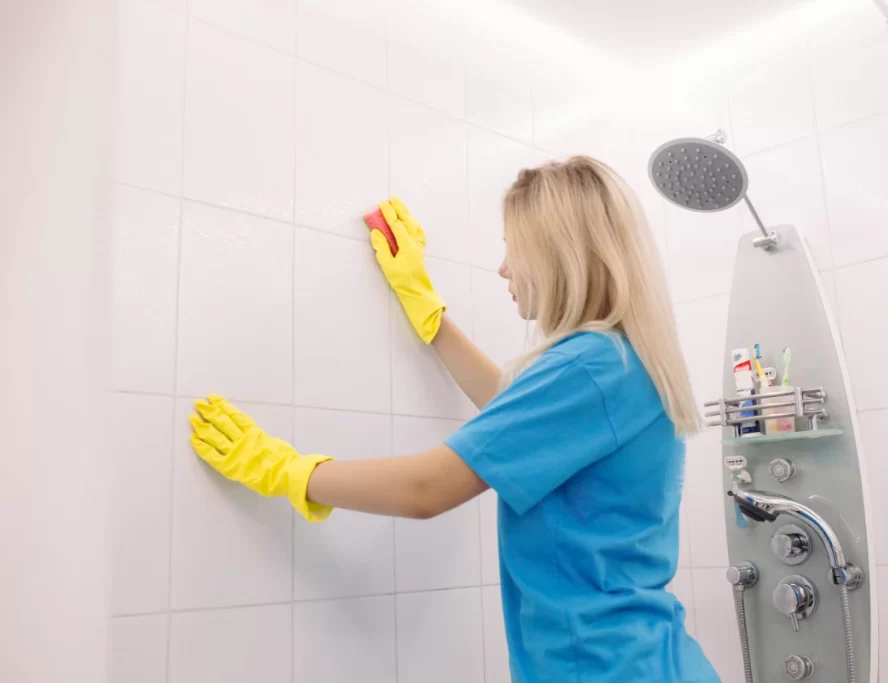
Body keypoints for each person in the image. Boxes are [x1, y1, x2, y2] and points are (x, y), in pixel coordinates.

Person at [189, 156, 720, 682]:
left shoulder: (589, 363)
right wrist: (429, 312)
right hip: (648, 658)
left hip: (605, 668)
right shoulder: (623, 361)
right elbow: (518, 423)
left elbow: (428, 488)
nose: (504, 269)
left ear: (559, 254)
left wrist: (283, 469)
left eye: (514, 251)